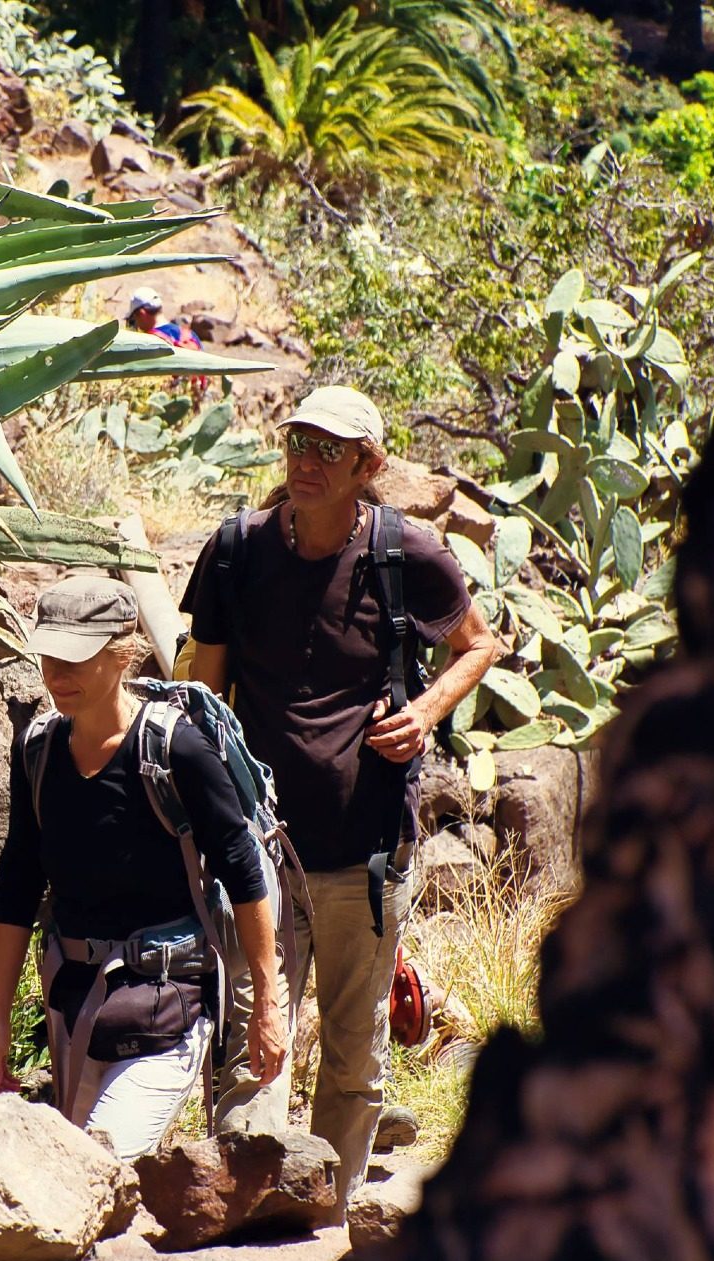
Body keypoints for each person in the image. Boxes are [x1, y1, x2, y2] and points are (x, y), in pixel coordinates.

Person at [181, 386, 502, 1205]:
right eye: (298, 441)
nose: (307, 461)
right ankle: (247, 1212)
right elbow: (201, 696)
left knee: (354, 1053)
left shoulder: (409, 555)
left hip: (366, 849)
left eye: (330, 449)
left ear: (369, 465)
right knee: (255, 1037)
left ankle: (333, 1227)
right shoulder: (236, 552)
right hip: (259, 851)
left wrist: (428, 711)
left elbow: (478, 645)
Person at [0, 574, 288, 1161]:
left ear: (122, 654)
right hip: (73, 1007)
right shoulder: (37, 752)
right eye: (49, 656)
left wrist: (266, 1005)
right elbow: (17, 884)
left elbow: (245, 876)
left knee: (100, 1162)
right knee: (76, 1176)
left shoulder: (178, 751)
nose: (57, 675)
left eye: (77, 657)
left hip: (168, 1006)